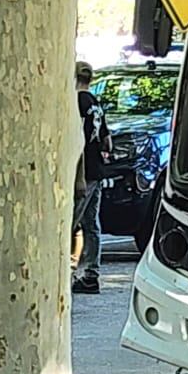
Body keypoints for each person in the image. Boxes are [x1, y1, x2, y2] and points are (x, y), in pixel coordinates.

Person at [73, 61, 111, 294]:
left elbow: (78, 140)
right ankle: (91, 274)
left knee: (72, 221)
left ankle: (67, 269)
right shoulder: (96, 103)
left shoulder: (76, 103)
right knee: (91, 224)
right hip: (97, 170)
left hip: (83, 170)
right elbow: (107, 141)